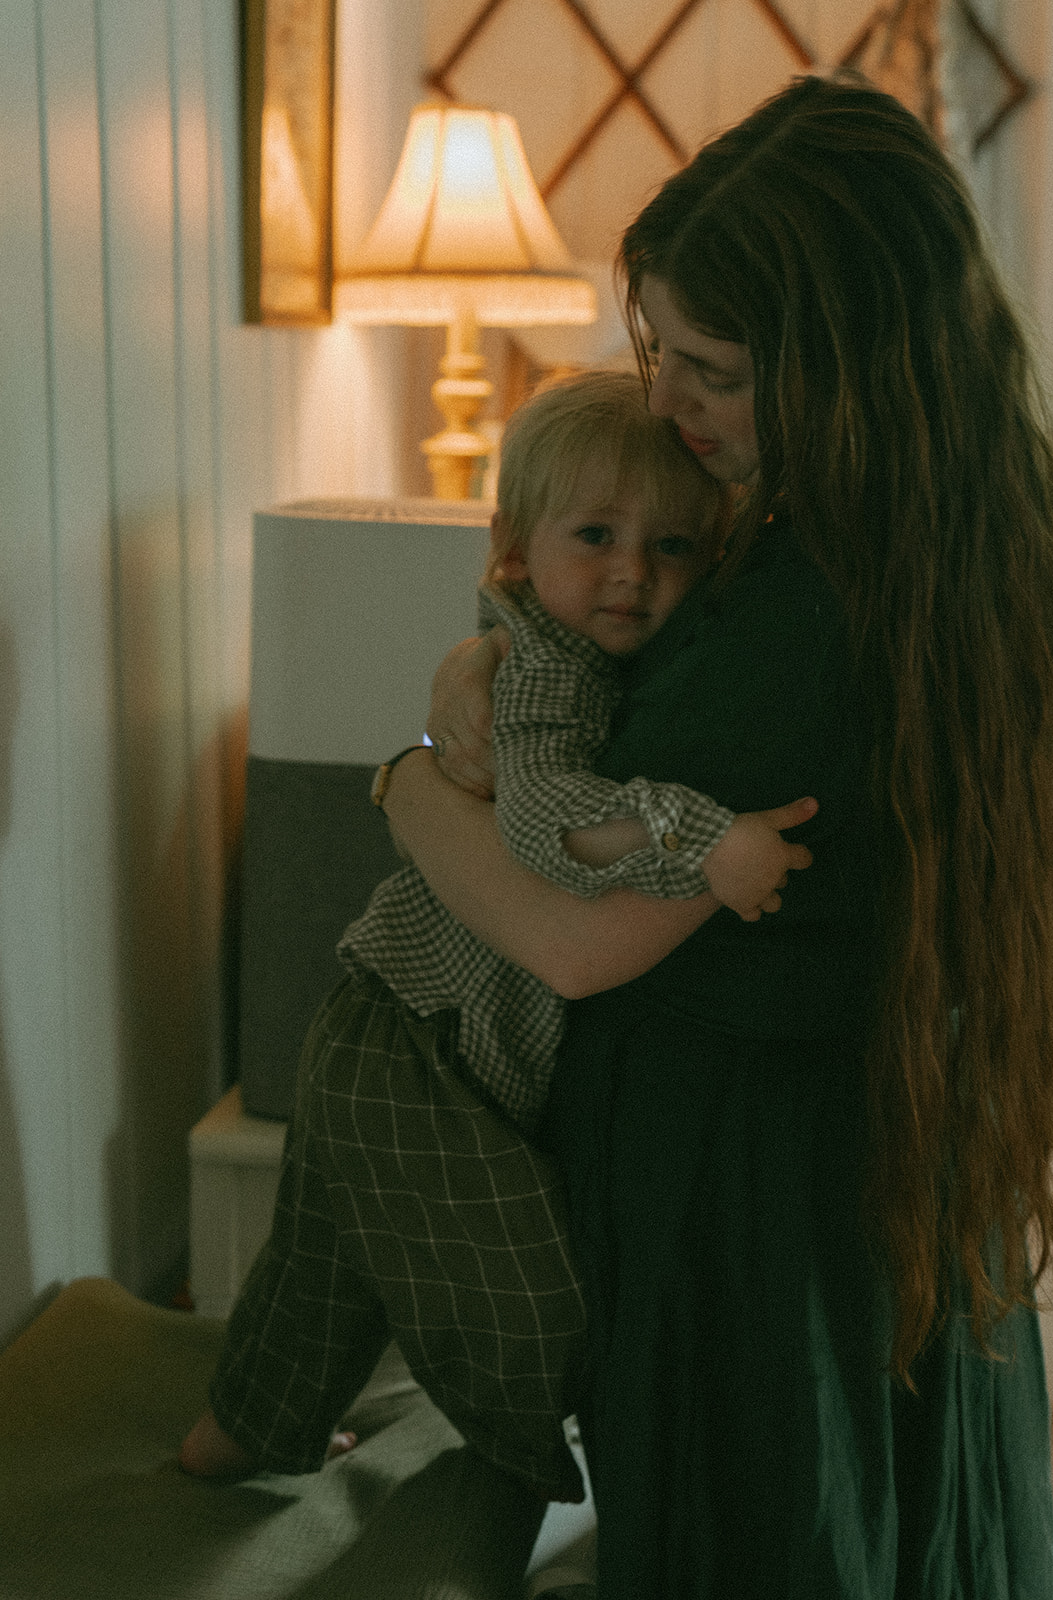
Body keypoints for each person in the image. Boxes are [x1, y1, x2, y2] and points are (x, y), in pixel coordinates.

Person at [383, 72, 1053, 1598]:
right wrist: (491, 654)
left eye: (716, 371)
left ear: (848, 372)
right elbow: (620, 676)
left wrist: (396, 780)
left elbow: (573, 941)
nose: (668, 403)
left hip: (756, 1214)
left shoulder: (812, 629)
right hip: (852, 1178)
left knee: (776, 1546)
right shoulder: (918, 549)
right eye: (664, 351)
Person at [180, 371, 817, 1502]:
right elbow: (537, 817)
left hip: (403, 1030)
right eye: (595, 536)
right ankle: (511, 1479)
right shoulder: (547, 670)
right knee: (527, 1299)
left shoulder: (592, 653)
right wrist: (704, 833)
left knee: (321, 1276)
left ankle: (222, 1448)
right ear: (515, 549)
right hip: (411, 1036)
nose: (632, 572)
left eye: (672, 546)